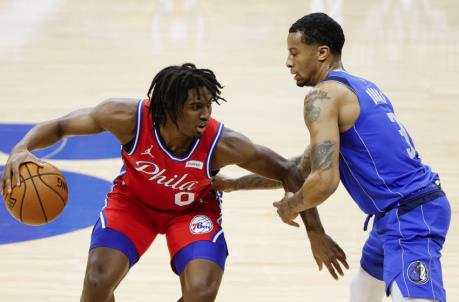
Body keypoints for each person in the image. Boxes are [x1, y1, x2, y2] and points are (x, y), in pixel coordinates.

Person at [1, 63, 347, 302]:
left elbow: (288, 170)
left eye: (208, 105)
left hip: (191, 211)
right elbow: (62, 126)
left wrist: (314, 231)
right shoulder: (126, 117)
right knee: (96, 282)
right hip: (133, 204)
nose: (205, 114)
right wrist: (21, 148)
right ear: (168, 107)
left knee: (201, 289)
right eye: (196, 106)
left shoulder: (221, 143)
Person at [214, 13, 451, 302]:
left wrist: (291, 206)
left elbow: (325, 181)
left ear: (322, 53)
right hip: (395, 213)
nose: (288, 62)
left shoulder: (322, 96)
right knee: (363, 289)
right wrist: (235, 184)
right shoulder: (360, 86)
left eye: (294, 52)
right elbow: (296, 168)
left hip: (410, 214)